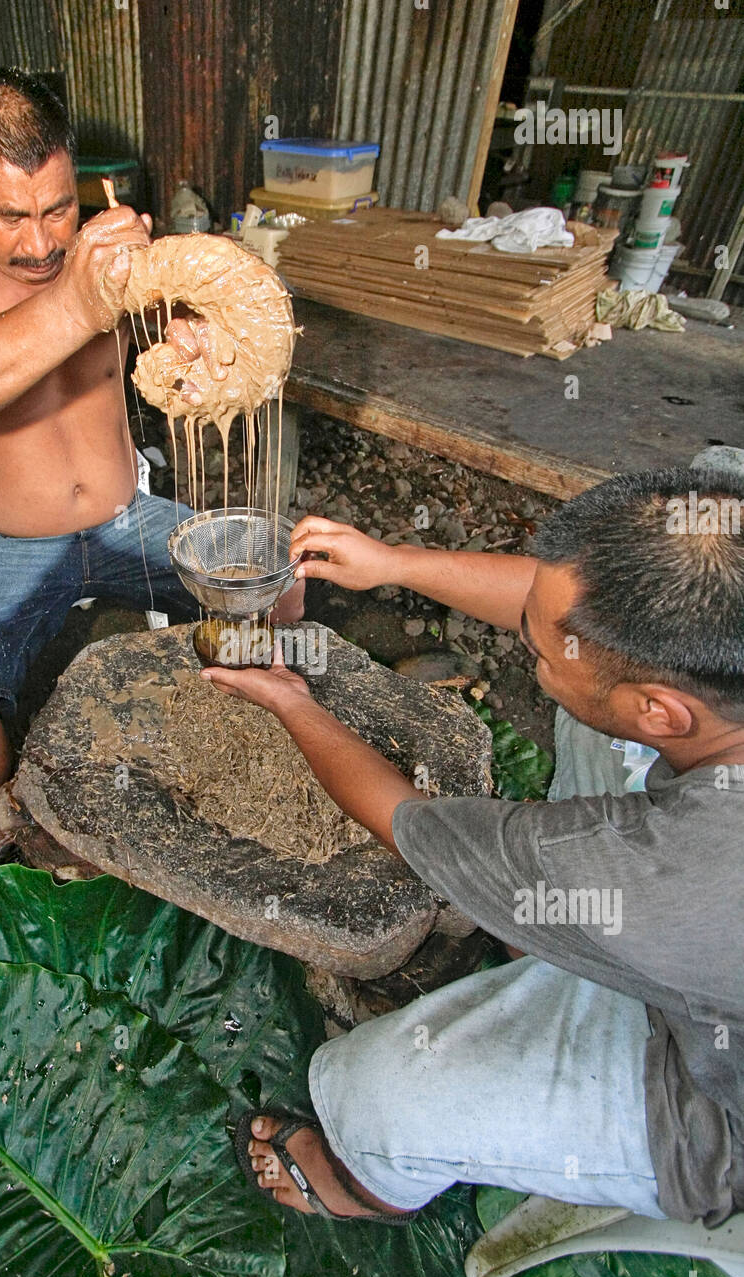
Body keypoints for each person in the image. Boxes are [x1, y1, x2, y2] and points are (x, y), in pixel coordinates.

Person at [203, 467, 744, 1230]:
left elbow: (406, 820)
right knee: (587, 709)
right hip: (706, 948)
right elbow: (581, 613)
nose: (532, 649)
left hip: (714, 1099)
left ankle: (357, 1182)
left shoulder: (661, 872)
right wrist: (394, 562)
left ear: (661, 713)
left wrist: (290, 698)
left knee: (378, 1095)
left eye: (544, 651)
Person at [0, 68, 296, 857]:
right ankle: (4, 840)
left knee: (281, 587)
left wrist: (191, 337)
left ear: (78, 179)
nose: (39, 243)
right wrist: (76, 301)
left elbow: (190, 323)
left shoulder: (106, 249)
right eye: (9, 216)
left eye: (57, 207)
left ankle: (243, 751)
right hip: (5, 541)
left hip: (122, 516)